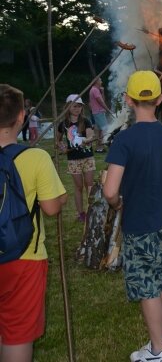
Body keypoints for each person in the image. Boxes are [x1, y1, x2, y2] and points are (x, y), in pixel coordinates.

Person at [102, 71, 162, 362]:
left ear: (128, 100)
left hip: (140, 221)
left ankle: (157, 351)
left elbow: (110, 190)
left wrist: (117, 201)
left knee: (147, 284)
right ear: (160, 99)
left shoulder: (124, 140)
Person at [0, 84, 67, 362]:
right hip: (25, 257)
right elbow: (51, 207)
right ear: (21, 117)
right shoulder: (35, 157)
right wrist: (61, 198)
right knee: (17, 334)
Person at [56, 94, 96, 222]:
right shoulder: (63, 124)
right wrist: (62, 147)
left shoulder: (86, 121)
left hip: (87, 157)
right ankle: (81, 213)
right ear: (68, 107)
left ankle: (92, 210)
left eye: (79, 106)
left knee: (89, 185)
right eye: (74, 106)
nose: (77, 108)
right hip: (73, 160)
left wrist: (87, 140)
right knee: (78, 187)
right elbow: (58, 140)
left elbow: (90, 136)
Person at [89, 78, 111, 152]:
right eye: (100, 80)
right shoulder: (94, 90)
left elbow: (102, 99)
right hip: (99, 112)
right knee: (105, 129)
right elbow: (101, 102)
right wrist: (108, 110)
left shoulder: (96, 90)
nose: (101, 81)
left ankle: (99, 148)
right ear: (96, 81)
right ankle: (108, 145)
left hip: (97, 112)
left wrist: (102, 92)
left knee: (100, 131)